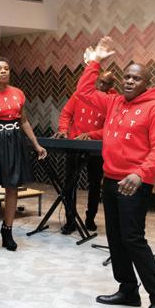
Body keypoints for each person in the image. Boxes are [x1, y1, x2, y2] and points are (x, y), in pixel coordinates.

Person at [77, 36, 155, 308]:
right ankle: (128, 290)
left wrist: (140, 172)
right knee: (115, 238)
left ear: (146, 83)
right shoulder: (114, 102)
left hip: (134, 183)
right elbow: (84, 92)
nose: (130, 81)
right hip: (111, 179)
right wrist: (95, 62)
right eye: (127, 77)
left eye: (136, 78)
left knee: (133, 239)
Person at [0, 57, 47, 252]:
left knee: (12, 188)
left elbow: (23, 121)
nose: (3, 71)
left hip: (15, 142)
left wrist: (36, 144)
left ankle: (7, 231)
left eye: (6, 68)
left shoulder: (18, 93)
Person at [54, 70, 115, 233]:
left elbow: (111, 128)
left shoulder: (112, 101)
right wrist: (63, 130)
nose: (101, 85)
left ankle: (90, 218)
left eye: (105, 83)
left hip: (96, 148)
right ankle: (70, 220)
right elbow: (66, 114)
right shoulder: (80, 94)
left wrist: (91, 135)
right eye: (99, 81)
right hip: (74, 144)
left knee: (95, 184)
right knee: (70, 183)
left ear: (111, 86)